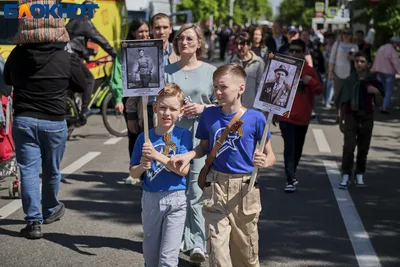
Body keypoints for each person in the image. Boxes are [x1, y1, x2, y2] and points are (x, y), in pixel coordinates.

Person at [169, 64, 276, 267]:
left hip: (244, 190)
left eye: (223, 87)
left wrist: (265, 161)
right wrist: (189, 155)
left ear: (241, 89)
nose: (217, 92)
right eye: (215, 87)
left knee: (246, 255)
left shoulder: (257, 118)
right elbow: (204, 147)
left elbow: (271, 156)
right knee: (217, 254)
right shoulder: (209, 115)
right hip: (216, 186)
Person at [3, 40, 87, 239]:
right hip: (54, 122)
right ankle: (50, 209)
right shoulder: (66, 57)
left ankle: (33, 222)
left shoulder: (18, 53)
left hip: (24, 119)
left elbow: (7, 78)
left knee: (29, 171)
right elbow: (82, 84)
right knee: (51, 169)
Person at [165, 23, 216, 264]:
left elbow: (223, 106)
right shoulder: (167, 71)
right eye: (180, 39)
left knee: (195, 191)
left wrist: (203, 107)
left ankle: (197, 243)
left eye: (189, 38)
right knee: (174, 190)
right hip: (173, 136)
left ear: (199, 43)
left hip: (199, 137)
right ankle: (174, 240)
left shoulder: (210, 71)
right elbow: (159, 103)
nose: (184, 42)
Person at [130, 84, 192, 267]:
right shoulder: (144, 138)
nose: (167, 113)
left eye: (173, 109)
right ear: (155, 108)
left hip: (176, 199)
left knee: (168, 258)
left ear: (181, 112)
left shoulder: (183, 135)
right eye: (163, 107)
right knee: (150, 255)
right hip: (151, 199)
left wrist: (156, 155)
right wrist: (142, 165)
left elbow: (183, 170)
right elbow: (133, 172)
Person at [123, 14, 179, 185]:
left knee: (169, 148)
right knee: (148, 149)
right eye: (157, 28)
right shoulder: (143, 50)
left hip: (172, 111)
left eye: (165, 27)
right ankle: (148, 187)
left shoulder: (179, 53)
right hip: (148, 109)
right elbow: (133, 86)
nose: (161, 31)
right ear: (152, 30)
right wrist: (131, 114)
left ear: (170, 29)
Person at [273, 39, 323, 192]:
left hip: (303, 117)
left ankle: (292, 172)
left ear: (303, 53)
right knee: (289, 146)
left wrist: (312, 81)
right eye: (292, 50)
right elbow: (274, 90)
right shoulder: (283, 68)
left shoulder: (309, 70)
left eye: (297, 51)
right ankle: (289, 178)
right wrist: (273, 112)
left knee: (298, 148)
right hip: (286, 116)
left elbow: (319, 90)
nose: (294, 53)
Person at [336, 51, 384, 188]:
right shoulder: (350, 80)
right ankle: (345, 174)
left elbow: (379, 103)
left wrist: (376, 92)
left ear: (368, 64)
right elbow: (343, 102)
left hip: (367, 117)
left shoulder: (373, 81)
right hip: (351, 116)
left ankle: (359, 174)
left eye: (362, 61)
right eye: (357, 61)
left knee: (363, 148)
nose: (359, 64)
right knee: (349, 147)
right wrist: (340, 120)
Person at [66, 0, 117, 124]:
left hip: (66, 56)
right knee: (89, 79)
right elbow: (101, 40)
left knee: (74, 84)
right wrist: (115, 54)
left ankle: (71, 108)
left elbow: (74, 40)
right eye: (94, 10)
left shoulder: (73, 20)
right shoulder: (85, 22)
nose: (95, 12)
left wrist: (86, 55)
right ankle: (84, 111)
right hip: (72, 57)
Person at [110, 19, 150, 164]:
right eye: (141, 31)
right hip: (131, 99)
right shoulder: (125, 51)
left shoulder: (155, 47)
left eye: (146, 31)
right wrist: (119, 99)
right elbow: (118, 75)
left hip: (151, 97)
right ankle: (134, 168)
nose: (144, 34)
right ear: (133, 33)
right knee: (134, 134)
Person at [226, 32, 265, 109]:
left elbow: (261, 87)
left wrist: (260, 109)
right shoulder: (229, 61)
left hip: (251, 109)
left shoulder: (258, 62)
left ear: (250, 45)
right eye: (236, 44)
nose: (239, 47)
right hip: (232, 108)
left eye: (242, 44)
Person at [328, 28, 358, 109]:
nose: (346, 35)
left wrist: (353, 58)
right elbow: (331, 59)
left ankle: (345, 113)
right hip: (338, 73)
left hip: (350, 73)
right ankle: (339, 113)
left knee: (348, 95)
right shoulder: (337, 44)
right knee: (337, 94)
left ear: (351, 35)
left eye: (348, 33)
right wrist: (330, 71)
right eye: (344, 33)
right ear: (341, 35)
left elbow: (358, 60)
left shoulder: (354, 46)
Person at [370, 36, 400, 114]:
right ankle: (384, 107)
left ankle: (381, 105)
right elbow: (396, 63)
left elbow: (376, 59)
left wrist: (373, 69)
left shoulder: (381, 48)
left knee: (382, 90)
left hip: (379, 72)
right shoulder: (393, 51)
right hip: (389, 73)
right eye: (398, 44)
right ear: (395, 43)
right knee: (388, 91)